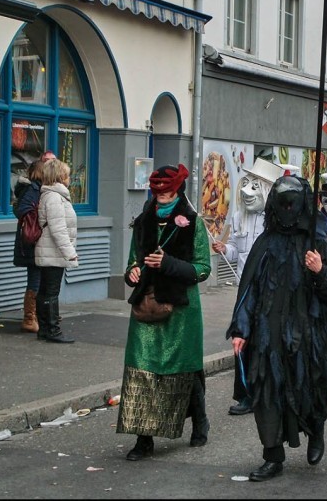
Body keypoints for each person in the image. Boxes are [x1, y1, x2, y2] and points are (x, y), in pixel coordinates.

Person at [226, 174, 327, 482]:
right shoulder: (265, 243)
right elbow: (250, 292)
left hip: (308, 332)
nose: (287, 209)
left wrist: (319, 271)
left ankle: (316, 431)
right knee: (267, 391)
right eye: (282, 203)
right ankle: (272, 455)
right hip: (268, 332)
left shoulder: (316, 241)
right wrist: (240, 329)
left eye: (292, 203)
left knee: (310, 387)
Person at [118, 164, 212, 460]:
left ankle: (199, 421)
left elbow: (203, 268)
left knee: (183, 368)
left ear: (178, 190)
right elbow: (134, 259)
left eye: (167, 192)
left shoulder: (194, 223)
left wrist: (168, 264)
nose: (160, 198)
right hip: (146, 304)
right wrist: (132, 271)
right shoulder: (143, 220)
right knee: (141, 368)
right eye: (157, 193)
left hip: (182, 308)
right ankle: (143, 439)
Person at [212, 157, 285, 417]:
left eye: (256, 184)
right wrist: (224, 249)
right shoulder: (240, 217)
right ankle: (245, 394)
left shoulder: (278, 221)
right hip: (244, 290)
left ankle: (270, 390)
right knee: (241, 340)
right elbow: (235, 251)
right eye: (247, 183)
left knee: (269, 341)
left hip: (271, 291)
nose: (247, 190)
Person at [34, 158, 79, 343]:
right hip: (53, 251)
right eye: (67, 175)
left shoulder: (51, 195)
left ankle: (45, 329)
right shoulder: (54, 197)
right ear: (61, 177)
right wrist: (70, 252)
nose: (69, 178)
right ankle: (52, 330)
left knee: (46, 290)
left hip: (50, 250)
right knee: (51, 291)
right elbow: (58, 228)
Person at [13, 160, 45, 333]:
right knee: (35, 278)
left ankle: (34, 316)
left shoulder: (31, 188)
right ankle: (30, 318)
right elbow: (22, 210)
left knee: (37, 278)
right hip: (33, 242)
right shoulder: (33, 190)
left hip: (30, 241)